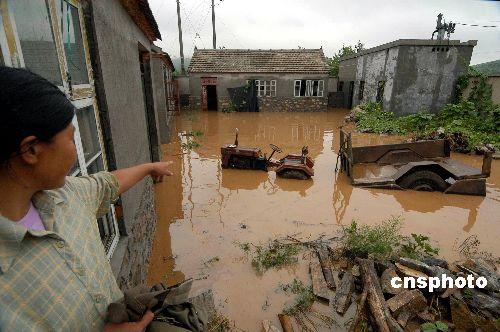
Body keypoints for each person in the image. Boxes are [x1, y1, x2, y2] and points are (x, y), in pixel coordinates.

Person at [0, 66, 172, 331]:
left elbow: (108, 183)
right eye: (70, 138)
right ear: (31, 150)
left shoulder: (64, 195)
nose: (75, 151)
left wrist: (149, 168)